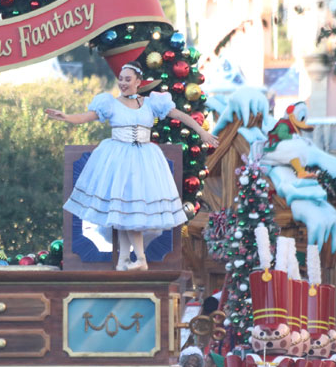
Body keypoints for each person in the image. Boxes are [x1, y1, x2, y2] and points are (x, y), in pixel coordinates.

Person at [45, 61, 216, 271]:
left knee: (131, 210)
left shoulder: (152, 103)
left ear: (138, 81)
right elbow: (86, 117)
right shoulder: (110, 103)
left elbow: (180, 116)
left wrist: (202, 132)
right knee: (124, 211)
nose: (123, 83)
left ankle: (139, 259)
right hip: (118, 158)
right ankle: (125, 258)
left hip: (144, 160)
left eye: (128, 79)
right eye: (121, 79)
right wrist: (66, 117)